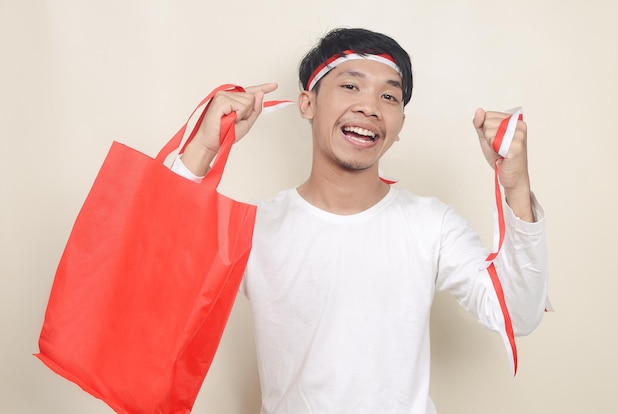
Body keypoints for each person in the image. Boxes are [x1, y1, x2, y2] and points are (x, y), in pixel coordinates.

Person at [172, 27, 548, 414]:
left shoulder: (431, 225)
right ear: (307, 104)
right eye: (351, 87)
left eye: (388, 96)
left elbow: (517, 312)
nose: (370, 107)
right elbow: (160, 277)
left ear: (400, 124)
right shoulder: (254, 225)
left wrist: (516, 188)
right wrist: (203, 146)